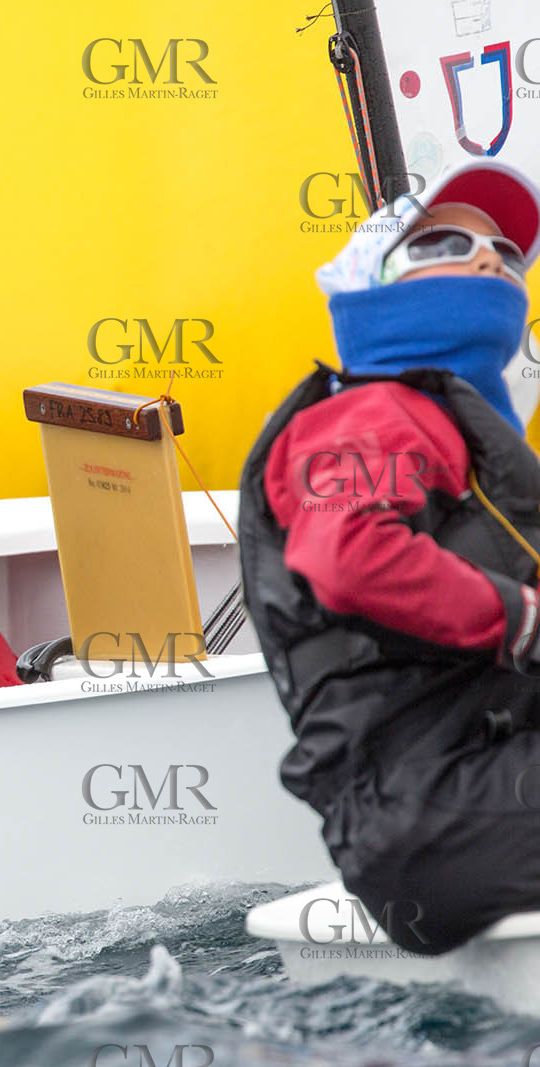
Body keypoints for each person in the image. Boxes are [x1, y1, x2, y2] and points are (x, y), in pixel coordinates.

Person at [239, 157, 540, 955]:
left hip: (463, 789)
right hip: (425, 815)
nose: (487, 259)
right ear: (372, 286)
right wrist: (519, 615)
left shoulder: (453, 428)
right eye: (444, 242)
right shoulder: (368, 416)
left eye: (507, 254)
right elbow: (349, 550)